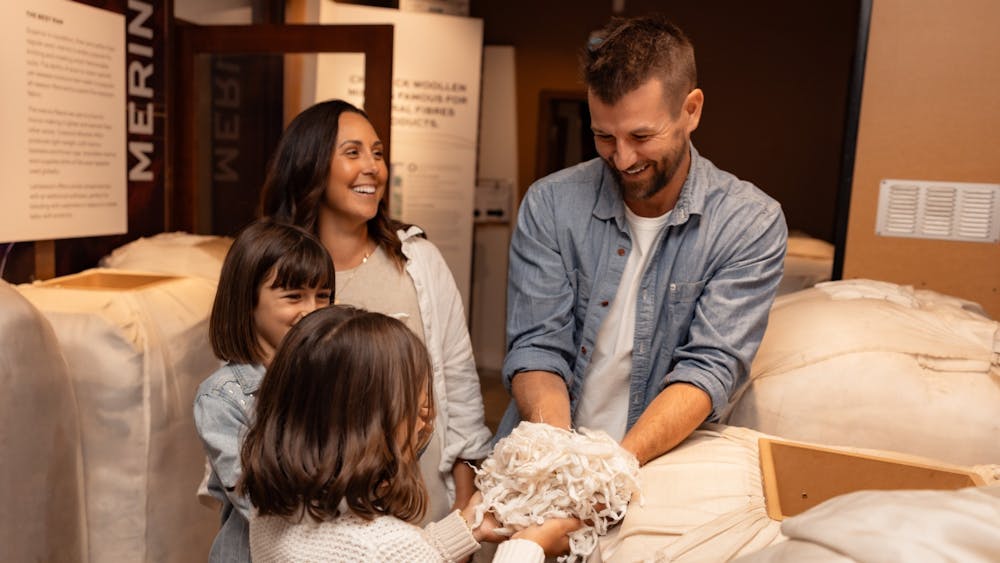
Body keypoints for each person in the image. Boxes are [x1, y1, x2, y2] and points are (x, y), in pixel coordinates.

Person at [497, 14, 788, 467]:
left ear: (691, 110)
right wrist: (559, 460)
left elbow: (708, 368)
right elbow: (537, 347)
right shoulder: (550, 204)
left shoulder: (749, 223)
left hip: (659, 467)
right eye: (603, 136)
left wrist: (612, 471)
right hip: (547, 453)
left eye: (641, 136)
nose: (623, 158)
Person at [260, 99, 491, 522]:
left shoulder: (418, 260)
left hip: (421, 506)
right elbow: (251, 386)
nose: (373, 167)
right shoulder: (274, 274)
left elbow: (457, 383)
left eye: (378, 153)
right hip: (315, 512)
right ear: (310, 165)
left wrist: (463, 504)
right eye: (353, 153)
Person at [241, 306, 580, 562]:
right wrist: (528, 546)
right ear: (367, 426)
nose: (423, 423)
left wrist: (469, 527)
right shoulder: (382, 545)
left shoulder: (269, 513)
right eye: (414, 410)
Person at [193, 218, 335, 562]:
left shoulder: (333, 377)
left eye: (323, 296)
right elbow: (264, 504)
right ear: (248, 301)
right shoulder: (222, 397)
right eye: (294, 296)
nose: (313, 311)